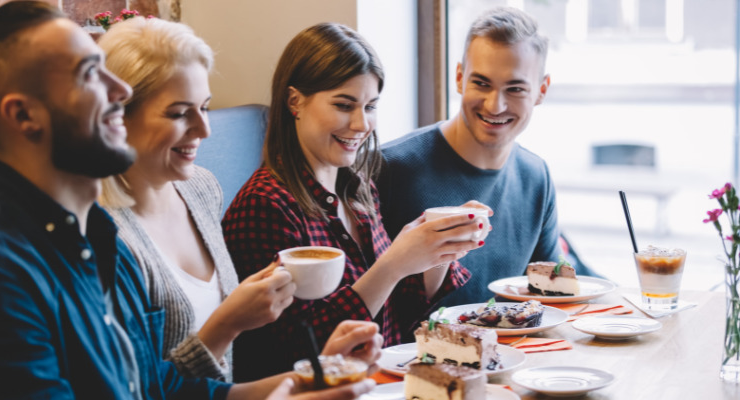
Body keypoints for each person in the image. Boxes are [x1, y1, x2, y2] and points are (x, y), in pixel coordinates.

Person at [0, 2, 379, 399]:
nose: (120, 90)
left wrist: (300, 384)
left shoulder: (96, 236)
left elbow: (157, 387)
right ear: (23, 116)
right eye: (89, 73)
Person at [222, 22, 488, 381]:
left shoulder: (358, 189)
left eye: (371, 106)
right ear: (295, 102)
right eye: (345, 105)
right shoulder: (265, 205)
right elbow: (295, 351)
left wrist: (440, 248)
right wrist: (392, 265)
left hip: (383, 383)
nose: (362, 124)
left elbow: (395, 313)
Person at [97, 16, 294, 381]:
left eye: (204, 107)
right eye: (179, 113)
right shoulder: (103, 236)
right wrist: (228, 324)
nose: (204, 130)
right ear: (116, 117)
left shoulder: (202, 188)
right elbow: (137, 387)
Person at [377, 6, 596, 307]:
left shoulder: (536, 176)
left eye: (515, 88)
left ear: (541, 90)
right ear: (458, 78)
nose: (495, 105)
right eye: (481, 83)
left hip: (517, 353)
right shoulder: (391, 167)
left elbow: (552, 297)